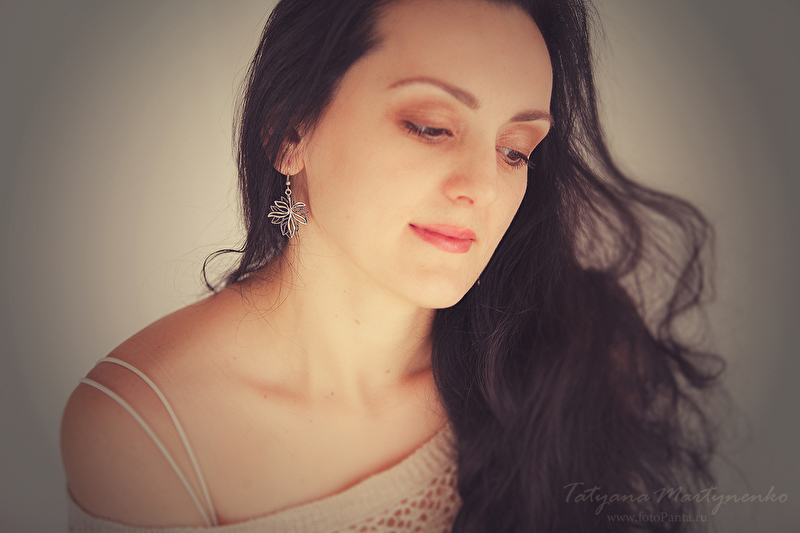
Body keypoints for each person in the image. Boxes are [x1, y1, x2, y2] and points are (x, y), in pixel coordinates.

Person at [60, 0, 724, 531]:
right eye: (432, 127)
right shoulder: (146, 431)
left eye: (515, 149)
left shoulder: (576, 349)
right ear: (289, 130)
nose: (482, 187)